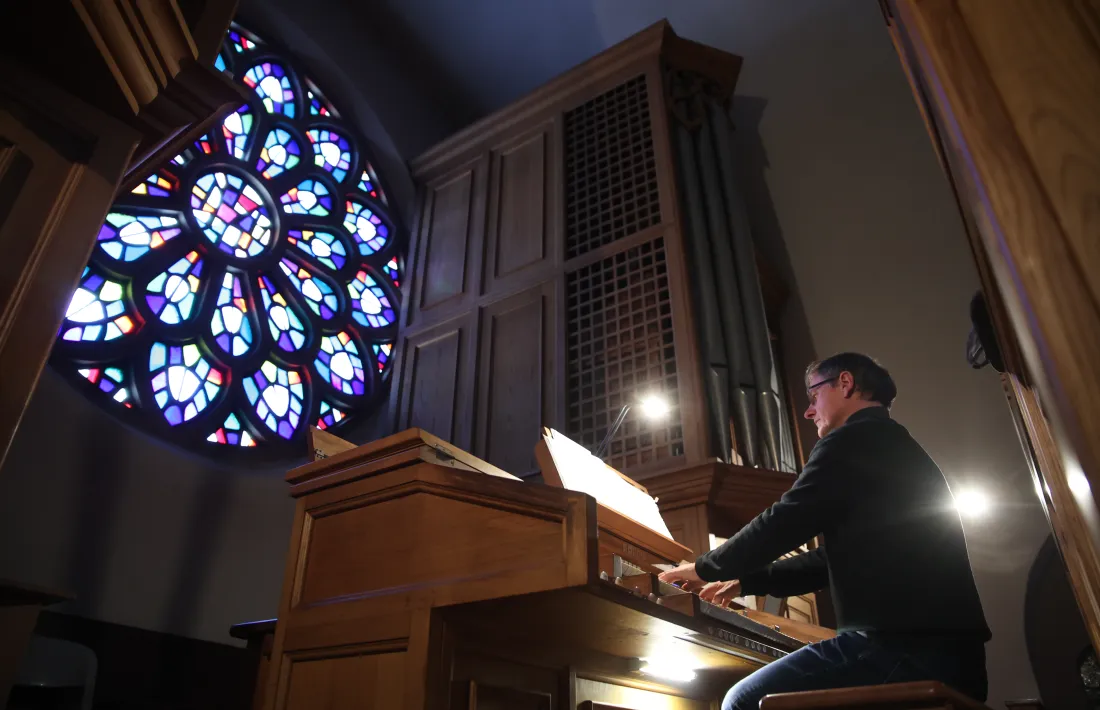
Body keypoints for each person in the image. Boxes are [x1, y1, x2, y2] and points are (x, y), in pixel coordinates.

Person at [658, 352, 990, 709]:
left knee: (744, 701)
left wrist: (703, 568)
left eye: (814, 395)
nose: (808, 411)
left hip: (902, 648)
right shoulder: (890, 444)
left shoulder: (853, 440)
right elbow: (825, 560)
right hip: (954, 658)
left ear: (845, 383)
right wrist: (744, 582)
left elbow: (784, 520)